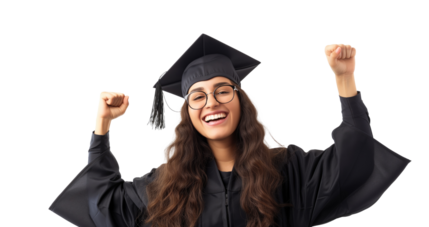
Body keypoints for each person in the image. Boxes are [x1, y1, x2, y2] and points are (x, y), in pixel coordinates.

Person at [48, 33, 411, 227]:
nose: (211, 103)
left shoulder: (287, 170)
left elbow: (355, 160)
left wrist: (345, 81)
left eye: (223, 90)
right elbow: (101, 204)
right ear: (188, 113)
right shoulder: (163, 187)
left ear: (241, 101)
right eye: (198, 97)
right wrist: (102, 128)